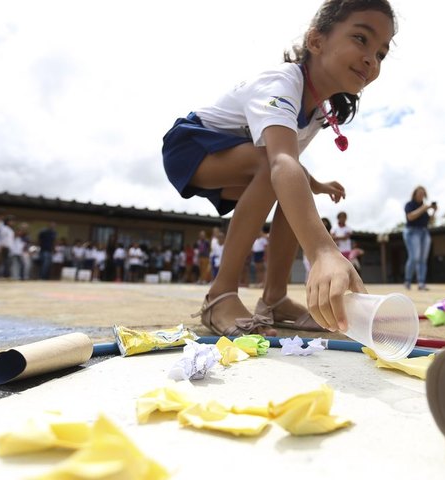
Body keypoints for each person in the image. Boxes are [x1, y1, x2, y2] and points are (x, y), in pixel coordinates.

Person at [161, 0, 394, 334]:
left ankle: (274, 298)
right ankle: (220, 295)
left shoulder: (316, 113)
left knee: (291, 189)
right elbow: (280, 160)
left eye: (381, 53)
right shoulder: (281, 83)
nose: (372, 58)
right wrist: (323, 251)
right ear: (316, 41)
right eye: (361, 39)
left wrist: (315, 183)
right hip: (189, 146)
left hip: (244, 157)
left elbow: (287, 162)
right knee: (276, 172)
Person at [403, 186, 436, 291]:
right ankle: (408, 280)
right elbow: (411, 217)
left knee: (423, 259)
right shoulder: (409, 205)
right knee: (414, 258)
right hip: (412, 232)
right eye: (419, 193)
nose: (421, 195)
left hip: (424, 232)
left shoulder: (424, 208)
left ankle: (421, 283)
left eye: (423, 194)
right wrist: (424, 208)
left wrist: (434, 212)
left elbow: (431, 221)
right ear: (415, 194)